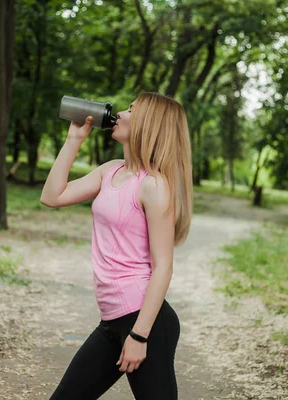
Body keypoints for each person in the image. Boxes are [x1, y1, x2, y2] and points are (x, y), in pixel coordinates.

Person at [40, 92, 193, 400]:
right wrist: (73, 140)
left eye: (131, 111)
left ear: (148, 126)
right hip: (112, 321)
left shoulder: (154, 186)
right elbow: (52, 196)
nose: (120, 114)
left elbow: (163, 266)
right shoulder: (110, 170)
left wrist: (139, 335)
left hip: (144, 323)